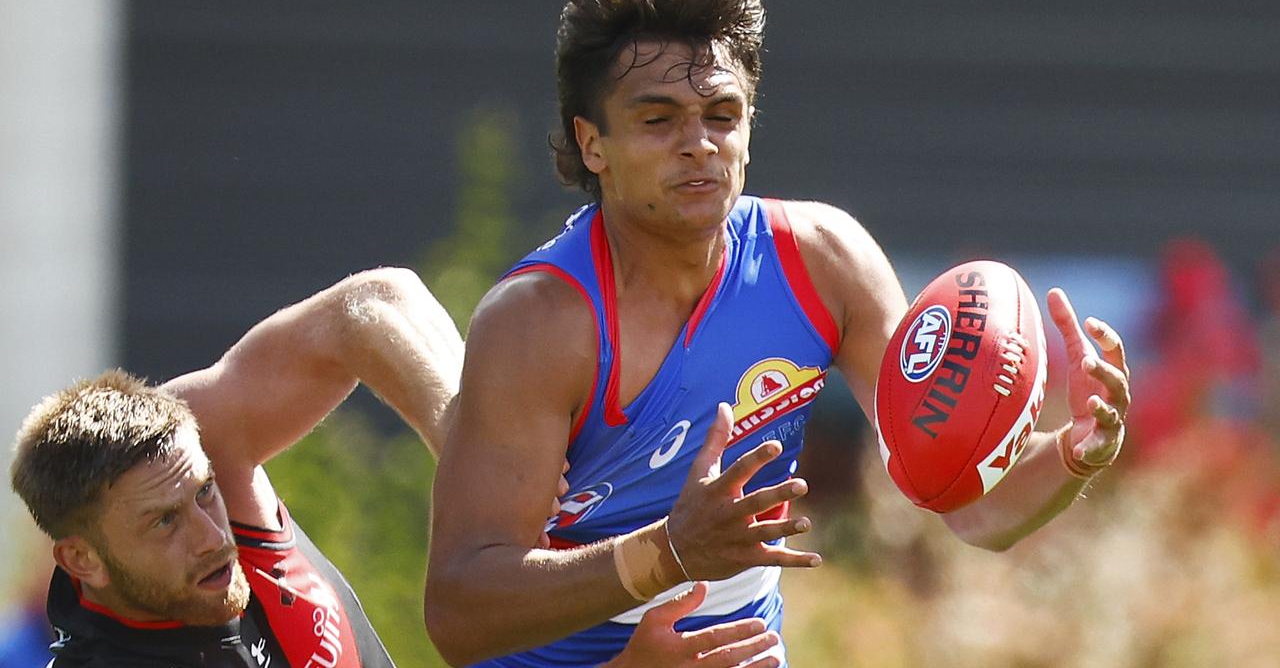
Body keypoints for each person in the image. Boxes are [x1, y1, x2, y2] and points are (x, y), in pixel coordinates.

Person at [422, 0, 1132, 667]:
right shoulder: (540, 321)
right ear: (592, 143)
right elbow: (457, 610)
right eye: (657, 119)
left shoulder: (821, 262)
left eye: (721, 115)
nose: (698, 143)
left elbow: (967, 504)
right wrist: (665, 554)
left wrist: (1074, 452)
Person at [10, 268, 777, 667]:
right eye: (164, 524)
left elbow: (373, 305)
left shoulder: (190, 447)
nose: (212, 536)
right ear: (82, 561)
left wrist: (479, 453)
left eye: (205, 495)